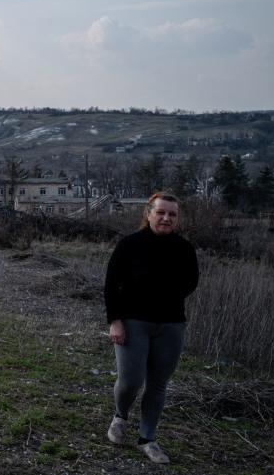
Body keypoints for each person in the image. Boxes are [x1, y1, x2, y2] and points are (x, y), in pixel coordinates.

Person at [103, 191, 199, 464]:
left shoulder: (184, 248)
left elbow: (191, 282)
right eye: (161, 212)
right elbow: (111, 285)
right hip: (133, 323)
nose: (166, 218)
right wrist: (115, 321)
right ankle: (121, 415)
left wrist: (166, 295)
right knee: (131, 380)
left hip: (170, 326)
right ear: (148, 213)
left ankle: (148, 439)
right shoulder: (129, 245)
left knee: (157, 385)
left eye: (172, 214)